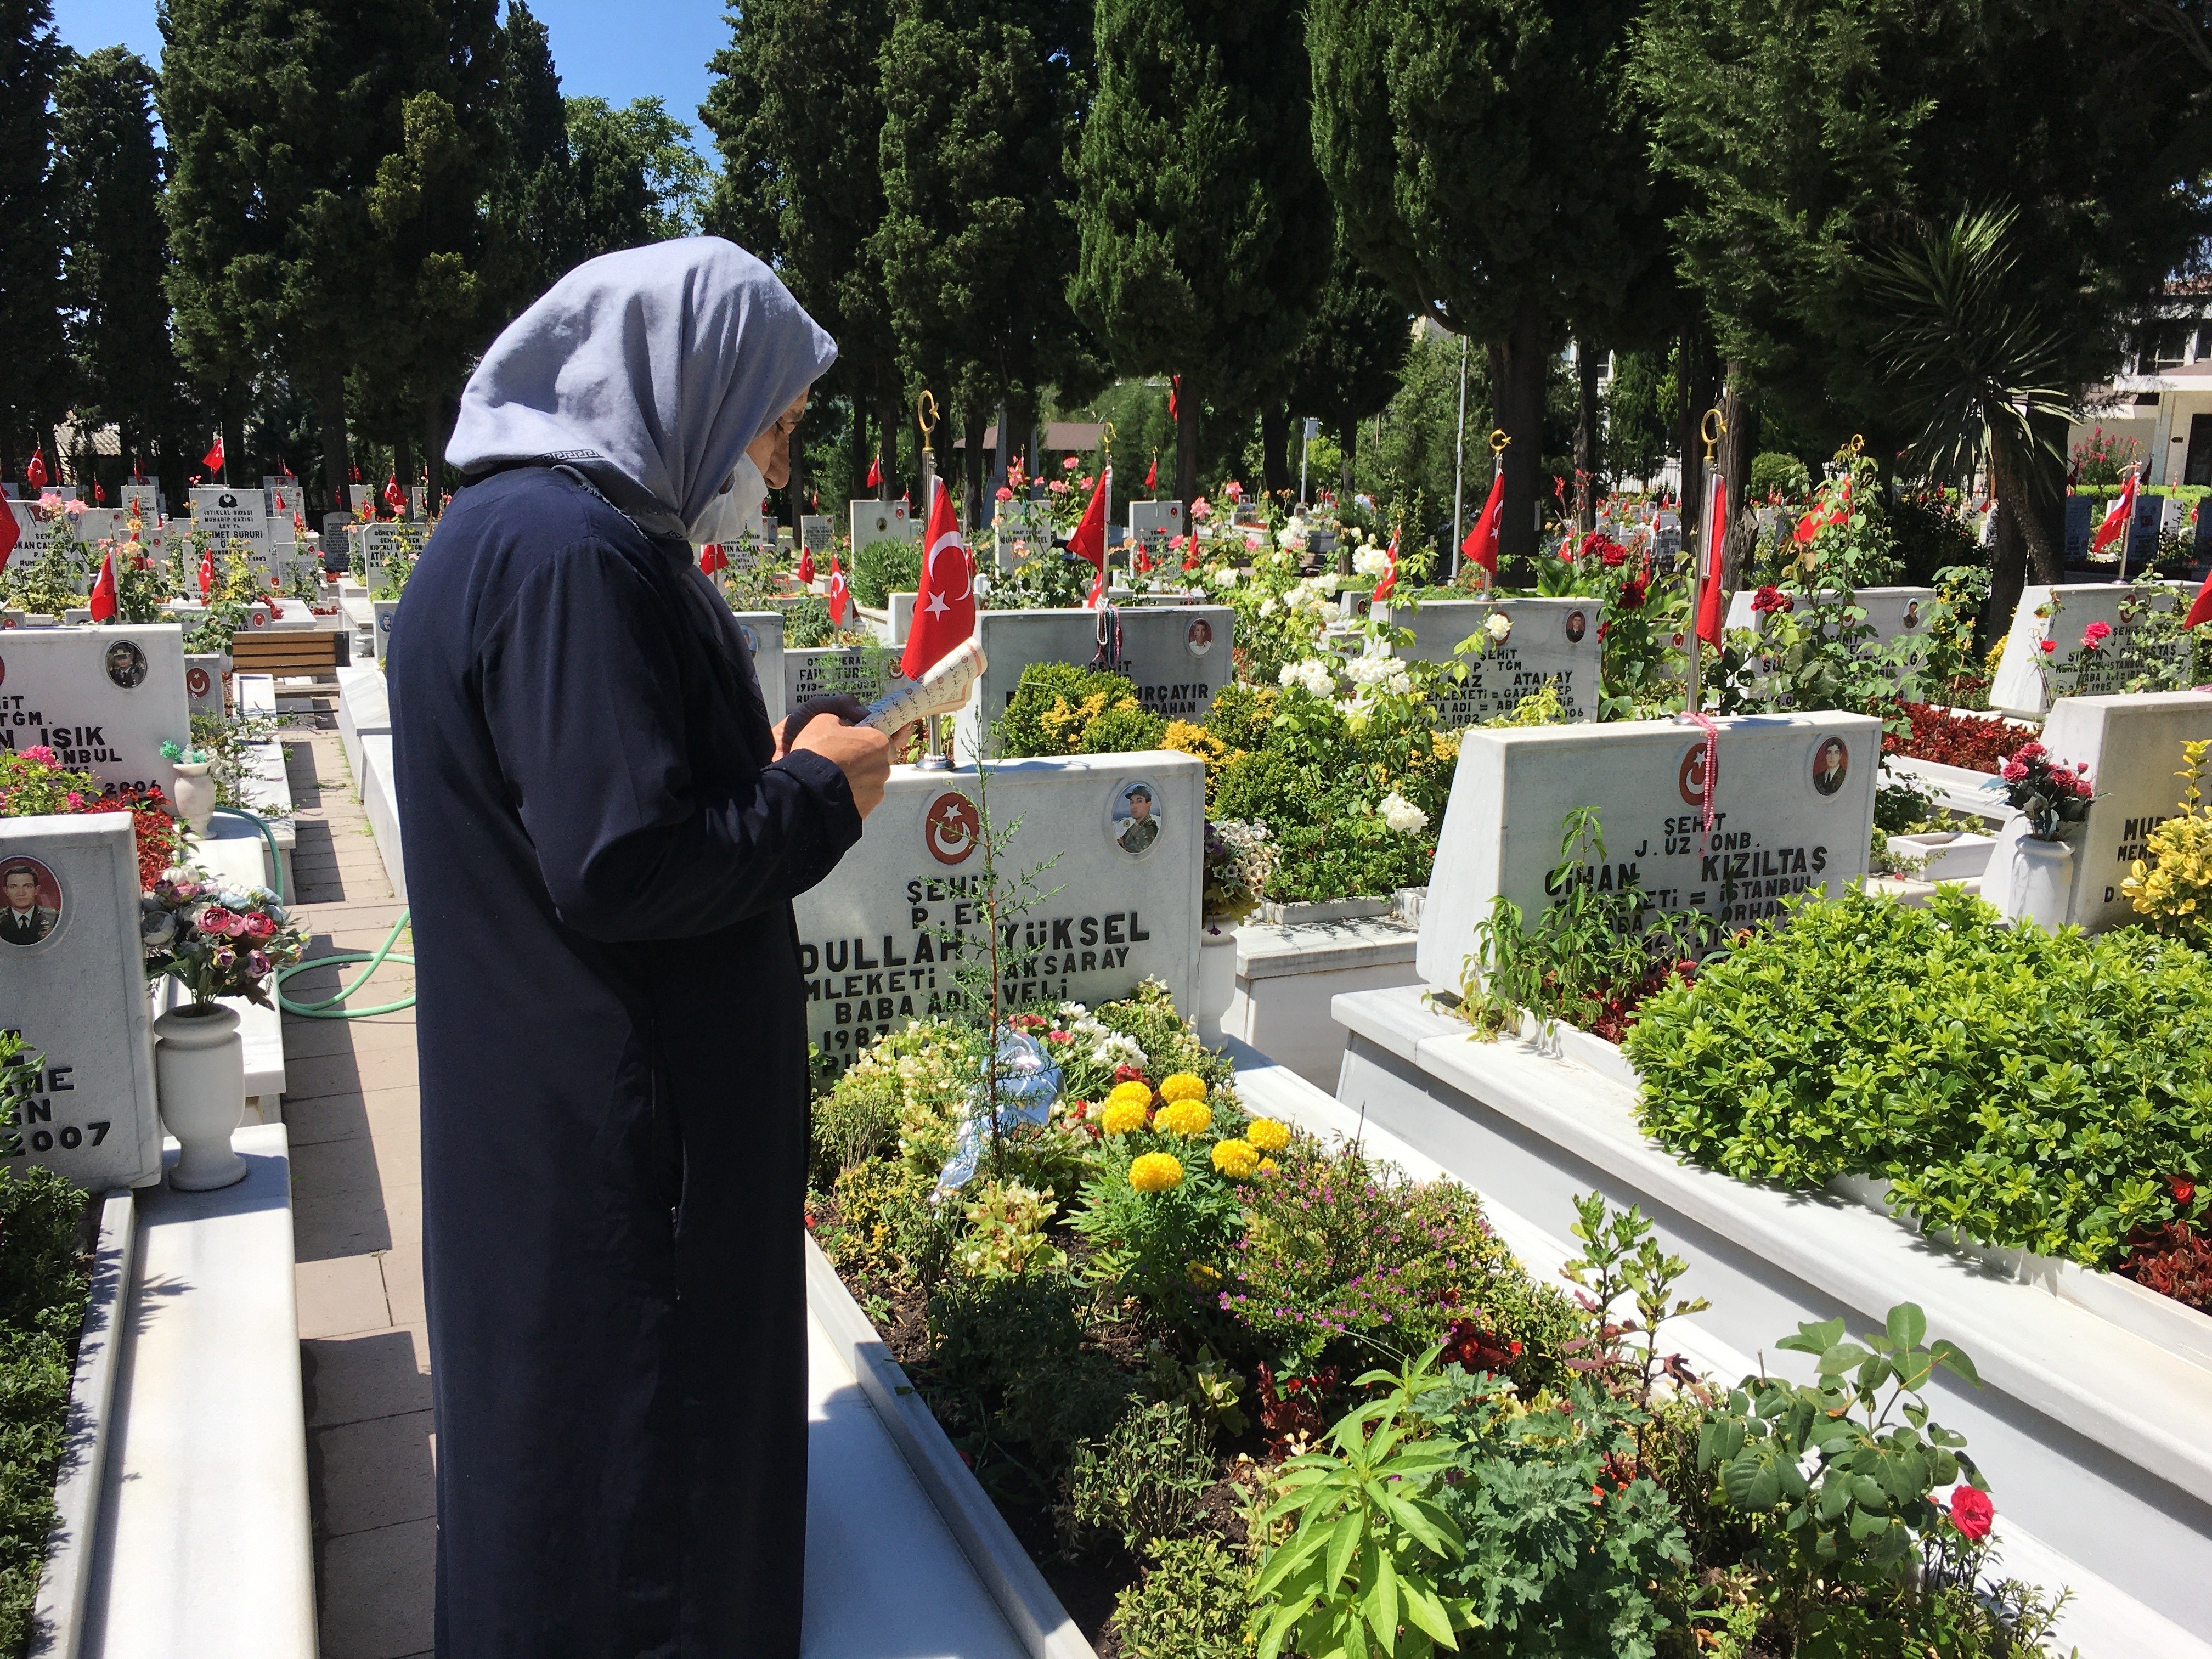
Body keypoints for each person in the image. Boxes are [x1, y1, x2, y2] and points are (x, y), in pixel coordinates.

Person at [391, 239, 900, 1659]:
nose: (780, 467)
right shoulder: (573, 557)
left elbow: (605, 802)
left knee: (565, 1462)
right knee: (634, 1493)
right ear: (692, 383)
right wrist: (823, 795)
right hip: (626, 1145)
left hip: (563, 1113)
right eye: (776, 422)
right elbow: (627, 861)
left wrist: (774, 766)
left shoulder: (528, 534)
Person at [1, 862, 56, 945]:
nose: (21, 893)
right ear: (6, 891)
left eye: (27, 886)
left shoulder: (54, 919)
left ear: (36, 890)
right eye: (13, 887)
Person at [1116, 783, 1159, 853]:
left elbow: (1140, 855)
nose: (1134, 806)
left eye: (1139, 801)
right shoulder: (1134, 827)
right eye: (1132, 802)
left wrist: (1124, 846)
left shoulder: (1150, 831)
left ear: (1149, 804)